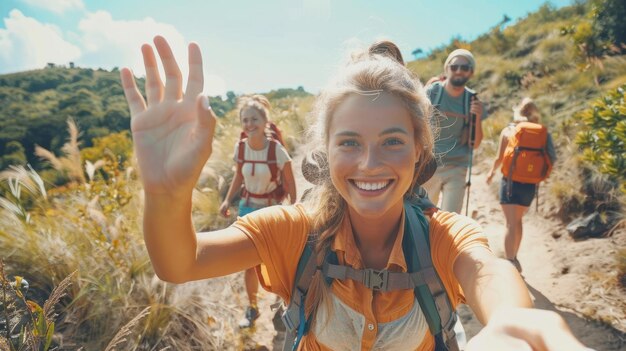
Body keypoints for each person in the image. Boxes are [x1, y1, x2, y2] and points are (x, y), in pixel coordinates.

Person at [119, 36, 591, 350]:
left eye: (392, 141)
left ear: (419, 151)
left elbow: (487, 270)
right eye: (349, 142)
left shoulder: (443, 237)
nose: (369, 164)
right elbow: (180, 263)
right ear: (324, 152)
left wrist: (510, 322)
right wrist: (165, 195)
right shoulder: (293, 233)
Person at [217, 94, 297, 328]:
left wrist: (293, 210)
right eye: (245, 120)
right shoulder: (240, 148)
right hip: (247, 207)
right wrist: (227, 201)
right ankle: (252, 309)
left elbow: (291, 183)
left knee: (274, 262)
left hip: (271, 209)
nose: (249, 124)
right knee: (249, 263)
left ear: (265, 122)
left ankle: (280, 306)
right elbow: (238, 176)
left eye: (254, 119)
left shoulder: (277, 150)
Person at [486, 98, 556, 273]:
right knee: (518, 220)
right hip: (530, 185)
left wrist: (491, 173)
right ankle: (515, 257)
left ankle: (510, 263)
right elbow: (552, 158)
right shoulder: (542, 134)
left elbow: (500, 158)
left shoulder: (509, 130)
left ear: (518, 112)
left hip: (510, 182)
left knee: (510, 223)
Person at [422, 49, 487, 214]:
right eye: (454, 66)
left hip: (457, 167)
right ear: (447, 69)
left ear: (471, 72)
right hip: (430, 165)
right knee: (424, 217)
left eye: (464, 67)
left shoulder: (472, 100)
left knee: (451, 220)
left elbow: (475, 143)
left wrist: (477, 117)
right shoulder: (432, 93)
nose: (459, 70)